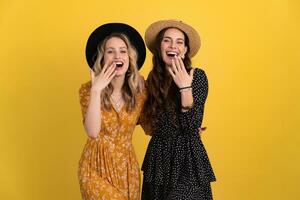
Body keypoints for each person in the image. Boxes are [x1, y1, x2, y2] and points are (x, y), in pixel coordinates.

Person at [140, 19, 216, 199]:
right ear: (160, 47)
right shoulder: (152, 80)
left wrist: (184, 88)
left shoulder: (196, 76)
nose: (173, 45)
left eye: (179, 42)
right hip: (158, 159)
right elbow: (148, 124)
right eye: (167, 40)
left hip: (187, 159)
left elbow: (191, 126)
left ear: (185, 50)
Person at [78, 23, 146, 200]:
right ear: (102, 57)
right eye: (110, 51)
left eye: (123, 51)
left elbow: (151, 126)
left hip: (126, 170)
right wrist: (96, 91)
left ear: (130, 57)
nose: (118, 56)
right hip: (94, 167)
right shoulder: (87, 90)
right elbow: (93, 132)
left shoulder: (140, 92)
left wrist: (187, 127)